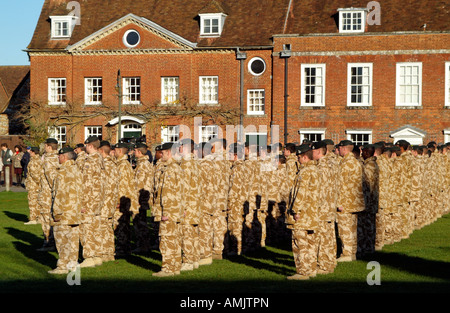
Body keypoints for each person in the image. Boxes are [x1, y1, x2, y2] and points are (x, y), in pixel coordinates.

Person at [286, 144, 319, 280]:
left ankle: (303, 271)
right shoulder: (315, 170)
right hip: (312, 212)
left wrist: (295, 210)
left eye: (299, 157)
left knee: (300, 243)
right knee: (311, 242)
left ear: (304, 157)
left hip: (303, 213)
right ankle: (311, 269)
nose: (298, 160)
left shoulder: (305, 172)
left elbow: (300, 192)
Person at [48, 147, 82, 274]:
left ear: (65, 157)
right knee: (73, 241)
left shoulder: (62, 171)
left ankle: (63, 266)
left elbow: (60, 193)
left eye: (60, 155)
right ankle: (72, 264)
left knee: (62, 241)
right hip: (74, 210)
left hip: (64, 211)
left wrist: (57, 212)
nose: (58, 157)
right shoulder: (76, 169)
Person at [152, 142, 183, 277]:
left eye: (163, 153)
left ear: (169, 153)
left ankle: (168, 268)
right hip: (175, 210)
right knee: (174, 239)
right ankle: (175, 266)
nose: (161, 155)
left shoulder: (170, 169)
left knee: (167, 240)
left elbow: (167, 193)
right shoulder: (177, 167)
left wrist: (166, 212)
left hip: (169, 211)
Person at [335, 140, 365, 262]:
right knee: (352, 228)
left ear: (344, 149)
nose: (339, 150)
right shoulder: (357, 163)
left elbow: (340, 184)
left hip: (346, 201)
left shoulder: (345, 164)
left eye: (340, 148)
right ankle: (352, 252)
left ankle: (346, 253)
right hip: (355, 201)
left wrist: (339, 202)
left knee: (345, 229)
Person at [79, 136, 105, 268]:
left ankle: (89, 257)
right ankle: (97, 255)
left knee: (87, 229)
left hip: (89, 200)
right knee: (95, 229)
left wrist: (83, 203)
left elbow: (87, 183)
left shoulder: (90, 160)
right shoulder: (100, 158)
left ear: (89, 146)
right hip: (97, 200)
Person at [311, 140, 337, 275]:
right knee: (329, 236)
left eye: (313, 151)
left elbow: (320, 191)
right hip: (330, 206)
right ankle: (330, 262)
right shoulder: (330, 165)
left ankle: (324, 265)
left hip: (323, 208)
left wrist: (315, 206)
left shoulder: (321, 168)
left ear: (318, 152)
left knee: (322, 238)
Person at [177, 138, 201, 270]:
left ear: (184, 147)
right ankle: (194, 259)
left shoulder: (186, 163)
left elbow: (184, 186)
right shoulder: (196, 162)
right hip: (195, 203)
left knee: (186, 234)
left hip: (188, 204)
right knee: (193, 233)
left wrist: (183, 206)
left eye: (180, 146)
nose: (179, 148)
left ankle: (187, 261)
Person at [114, 142, 139, 257]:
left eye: (115, 150)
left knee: (121, 226)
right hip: (124, 200)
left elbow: (123, 185)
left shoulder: (123, 165)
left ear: (119, 151)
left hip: (123, 200)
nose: (113, 152)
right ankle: (124, 248)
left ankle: (122, 249)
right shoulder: (122, 164)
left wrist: (120, 201)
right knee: (122, 225)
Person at [37, 138, 60, 252]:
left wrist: (52, 193)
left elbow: (52, 179)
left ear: (49, 147)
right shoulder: (58, 157)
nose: (44, 148)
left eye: (45, 146)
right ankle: (54, 242)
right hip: (53, 195)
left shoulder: (49, 160)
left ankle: (49, 243)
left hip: (47, 195)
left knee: (47, 220)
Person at [98, 140, 118, 262]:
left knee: (104, 227)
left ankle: (105, 252)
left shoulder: (105, 164)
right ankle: (109, 252)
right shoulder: (113, 164)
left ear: (101, 151)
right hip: (111, 200)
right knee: (108, 227)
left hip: (105, 199)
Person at [132, 142, 154, 254]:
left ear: (139, 152)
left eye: (135, 150)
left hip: (140, 198)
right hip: (141, 198)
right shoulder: (142, 163)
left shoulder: (143, 164)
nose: (133, 152)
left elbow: (139, 184)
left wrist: (137, 199)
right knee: (140, 223)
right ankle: (142, 245)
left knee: (141, 224)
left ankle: (143, 246)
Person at [226, 143, 247, 256]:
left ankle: (236, 250)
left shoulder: (237, 168)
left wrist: (229, 202)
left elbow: (234, 187)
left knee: (235, 226)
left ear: (235, 155)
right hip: (241, 201)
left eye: (230, 154)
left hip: (236, 202)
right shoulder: (243, 166)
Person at [24, 147, 42, 225]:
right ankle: (39, 218)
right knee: (38, 202)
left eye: (31, 151)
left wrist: (39, 183)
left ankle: (33, 219)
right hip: (37, 185)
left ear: (33, 152)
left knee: (32, 202)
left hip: (33, 185)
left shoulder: (34, 161)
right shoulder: (39, 160)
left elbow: (34, 174)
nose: (29, 153)